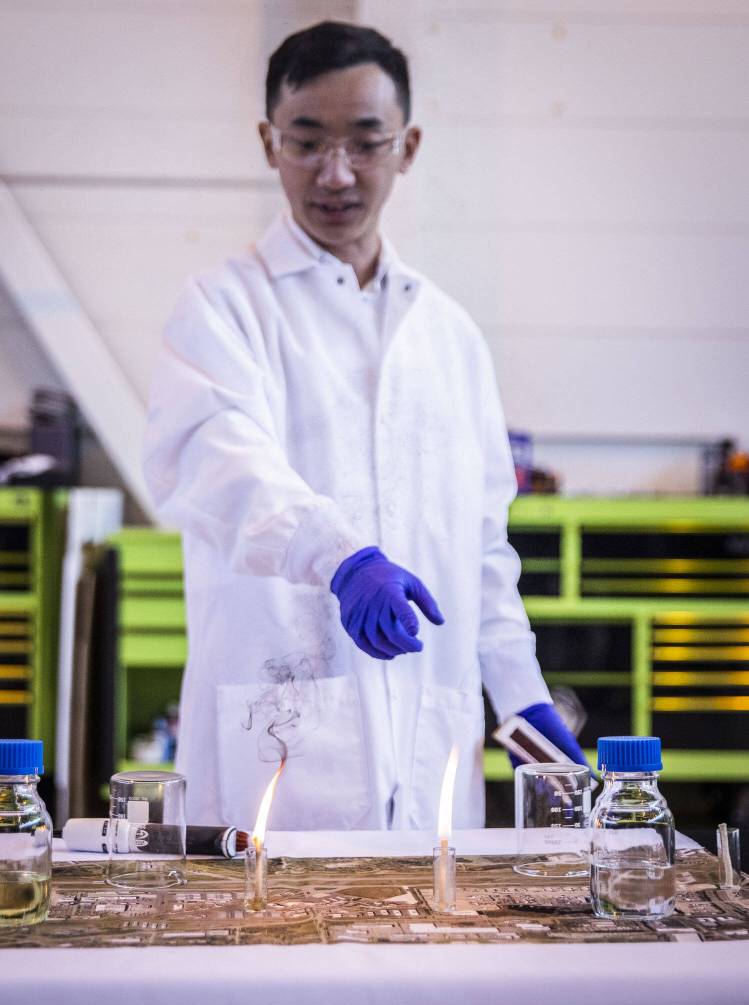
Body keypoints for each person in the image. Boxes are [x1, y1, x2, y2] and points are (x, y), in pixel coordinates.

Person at [144, 21, 586, 830]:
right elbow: (219, 462)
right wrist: (341, 559)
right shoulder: (223, 307)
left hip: (428, 751)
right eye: (306, 142)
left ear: (407, 146)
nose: (335, 174)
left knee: (431, 940)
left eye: (365, 142)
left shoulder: (448, 334)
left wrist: (522, 701)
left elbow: (481, 547)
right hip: (277, 740)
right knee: (259, 944)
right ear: (266, 142)